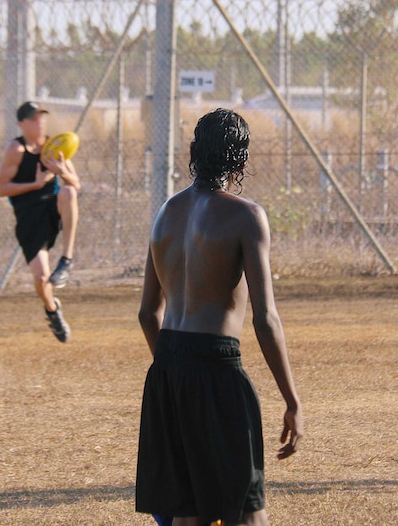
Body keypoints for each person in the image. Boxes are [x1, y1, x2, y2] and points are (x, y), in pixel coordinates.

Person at [136, 108, 303, 526]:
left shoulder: (165, 214)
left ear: (194, 153)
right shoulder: (246, 216)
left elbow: (146, 313)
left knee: (186, 515)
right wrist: (292, 400)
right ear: (242, 161)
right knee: (245, 511)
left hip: (168, 367)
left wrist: (174, 366)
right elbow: (265, 319)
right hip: (216, 365)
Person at [0, 101, 80, 343]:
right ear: (21, 124)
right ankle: (52, 310)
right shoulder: (16, 150)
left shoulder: (54, 146)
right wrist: (35, 184)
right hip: (29, 217)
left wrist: (61, 171)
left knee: (69, 193)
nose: (39, 122)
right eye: (33, 118)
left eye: (41, 116)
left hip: (52, 206)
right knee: (41, 279)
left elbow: (76, 183)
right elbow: (0, 189)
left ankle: (67, 260)